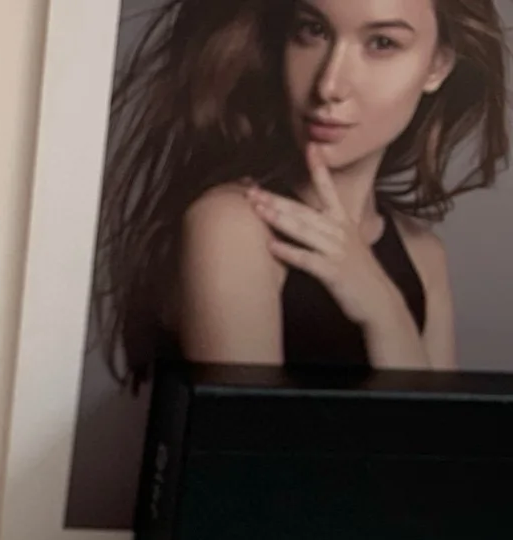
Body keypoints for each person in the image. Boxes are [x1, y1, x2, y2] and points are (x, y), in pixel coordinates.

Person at [94, 0, 510, 383]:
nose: (329, 85)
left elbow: (438, 439)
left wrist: (386, 314)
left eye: (382, 43)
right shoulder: (232, 226)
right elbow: (242, 436)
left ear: (437, 66)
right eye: (313, 31)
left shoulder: (423, 255)